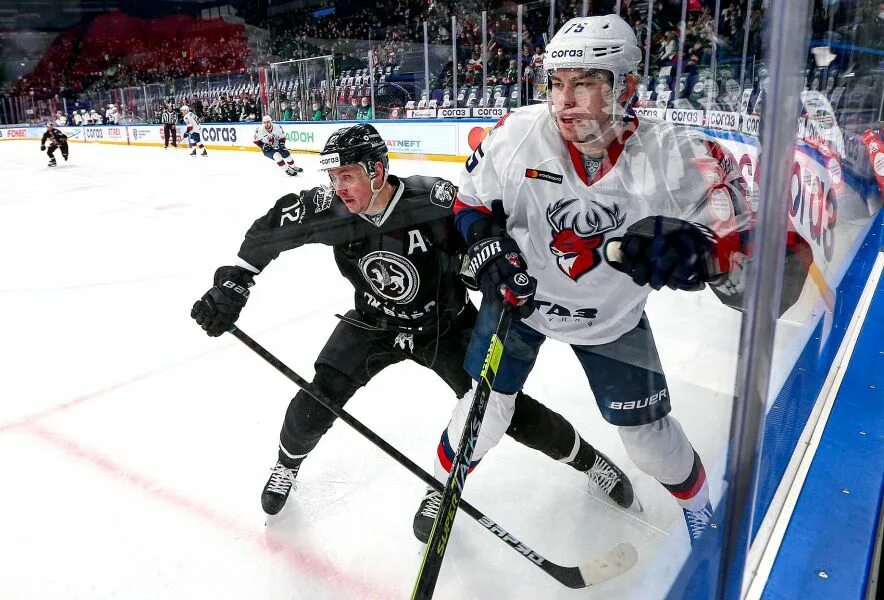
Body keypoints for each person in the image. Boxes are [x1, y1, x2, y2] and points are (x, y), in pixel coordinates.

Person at [190, 124, 636, 539]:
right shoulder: (329, 210)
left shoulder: (436, 201)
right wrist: (233, 283)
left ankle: (588, 461)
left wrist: (493, 268)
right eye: (333, 178)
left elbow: (490, 235)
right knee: (316, 399)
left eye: (347, 176)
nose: (338, 188)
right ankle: (286, 464)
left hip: (443, 325)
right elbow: (270, 231)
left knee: (499, 408)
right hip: (372, 324)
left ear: (378, 170)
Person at [424, 14, 748, 545]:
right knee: (481, 415)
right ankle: (443, 486)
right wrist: (486, 240)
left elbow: (755, 276)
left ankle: (701, 509)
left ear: (627, 87)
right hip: (518, 304)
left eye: (585, 83)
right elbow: (469, 202)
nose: (564, 99)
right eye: (555, 82)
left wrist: (708, 258)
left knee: (647, 442)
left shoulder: (681, 157)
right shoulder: (518, 134)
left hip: (612, 319)